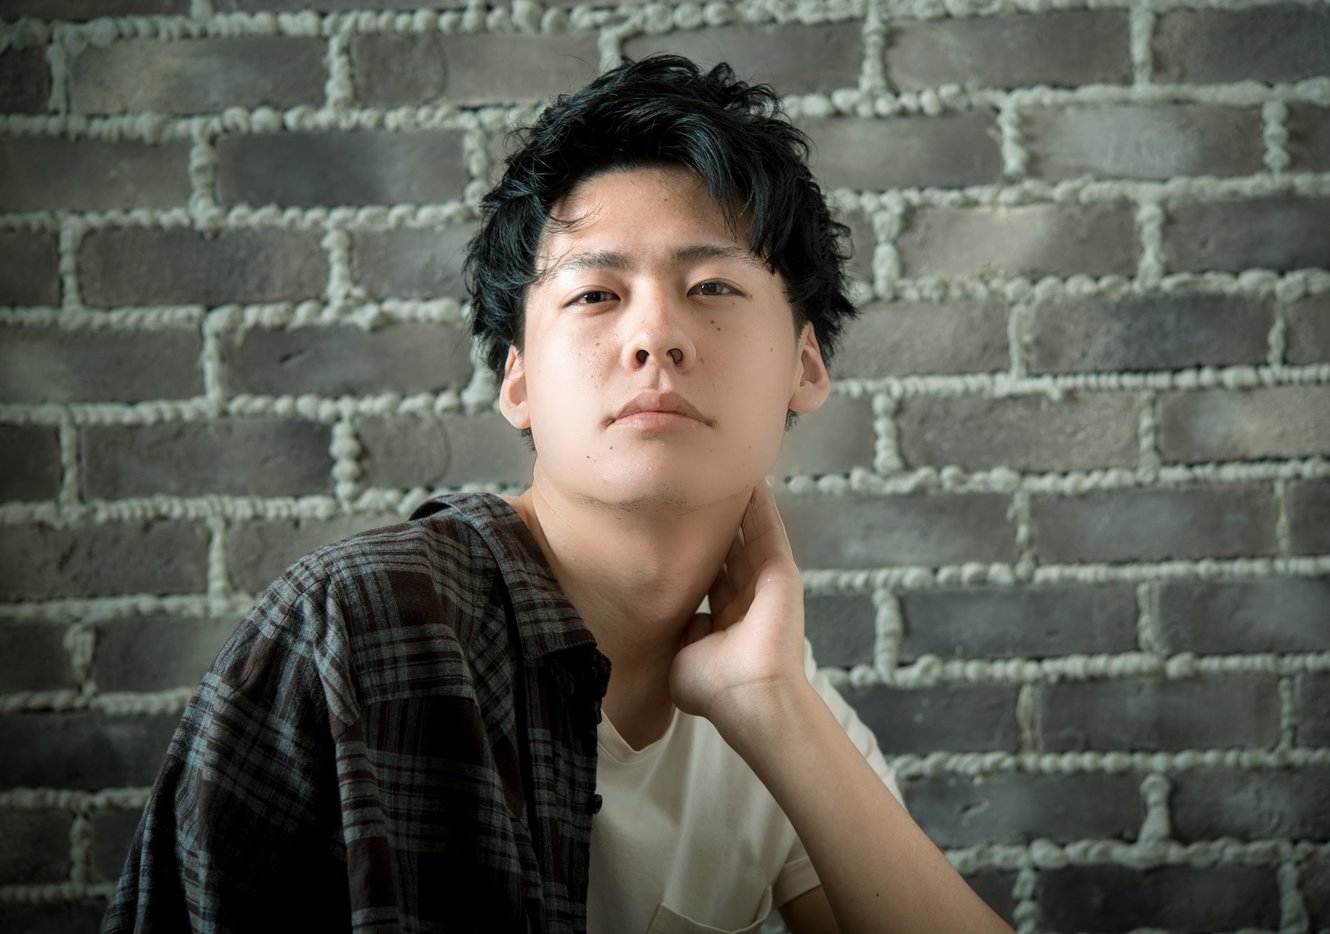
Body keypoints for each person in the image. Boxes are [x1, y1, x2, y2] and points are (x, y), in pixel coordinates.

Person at [102, 55, 1011, 933]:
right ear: (518, 380)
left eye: (712, 285)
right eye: (595, 296)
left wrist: (770, 703)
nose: (656, 336)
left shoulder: (783, 700)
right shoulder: (349, 627)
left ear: (805, 366)